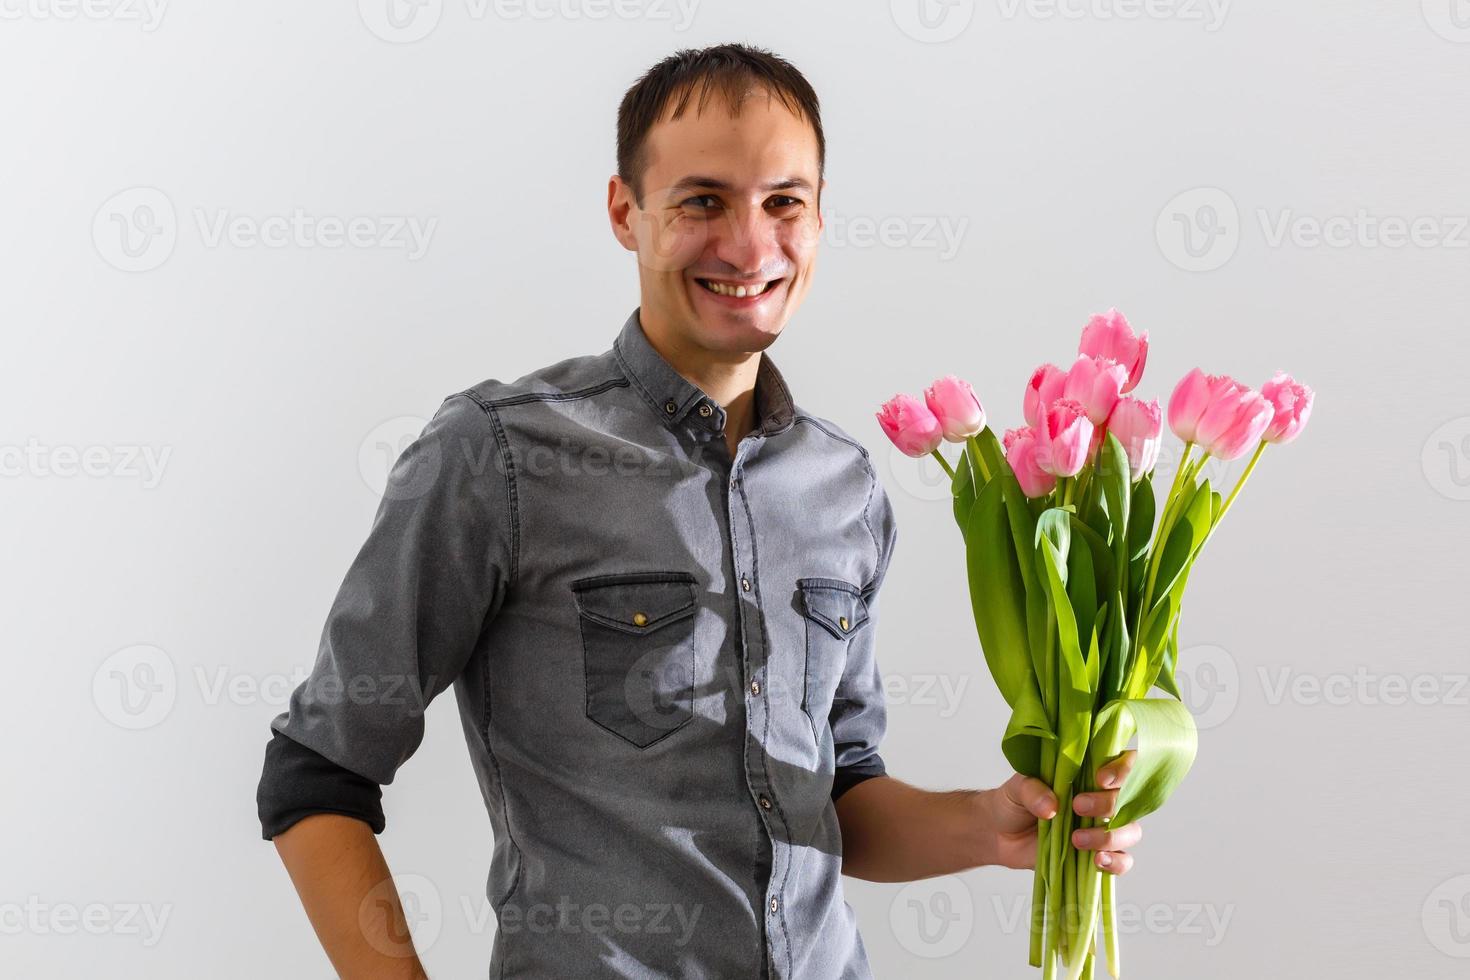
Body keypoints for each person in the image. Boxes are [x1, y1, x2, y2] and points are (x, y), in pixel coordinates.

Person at [256, 42, 1142, 979]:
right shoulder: (500, 455)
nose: (752, 248)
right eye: (703, 201)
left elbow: (836, 795)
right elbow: (318, 775)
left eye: (782, 203)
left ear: (819, 219)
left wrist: (989, 824)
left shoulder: (844, 486)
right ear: (624, 212)